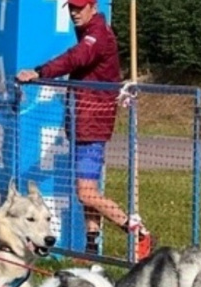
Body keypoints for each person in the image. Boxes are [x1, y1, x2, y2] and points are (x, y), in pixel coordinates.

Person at [16, 0, 154, 260]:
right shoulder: (88, 32)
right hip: (82, 122)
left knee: (85, 192)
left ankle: (137, 231)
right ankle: (91, 249)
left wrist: (39, 72)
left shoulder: (98, 34)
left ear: (93, 7)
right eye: (71, 9)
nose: (74, 13)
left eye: (79, 8)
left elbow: (76, 57)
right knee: (88, 193)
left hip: (93, 124)